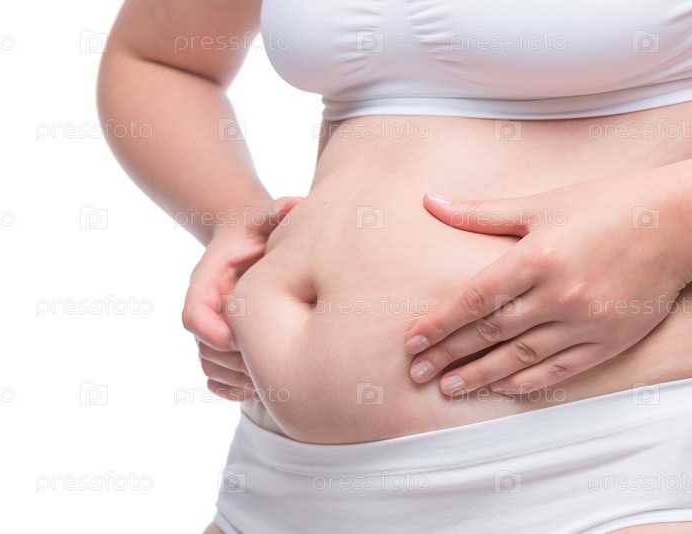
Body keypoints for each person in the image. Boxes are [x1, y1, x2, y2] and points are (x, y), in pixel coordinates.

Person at [97, 0, 692, 532]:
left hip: (614, 463)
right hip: (279, 483)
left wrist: (667, 220)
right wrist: (236, 221)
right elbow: (158, 58)